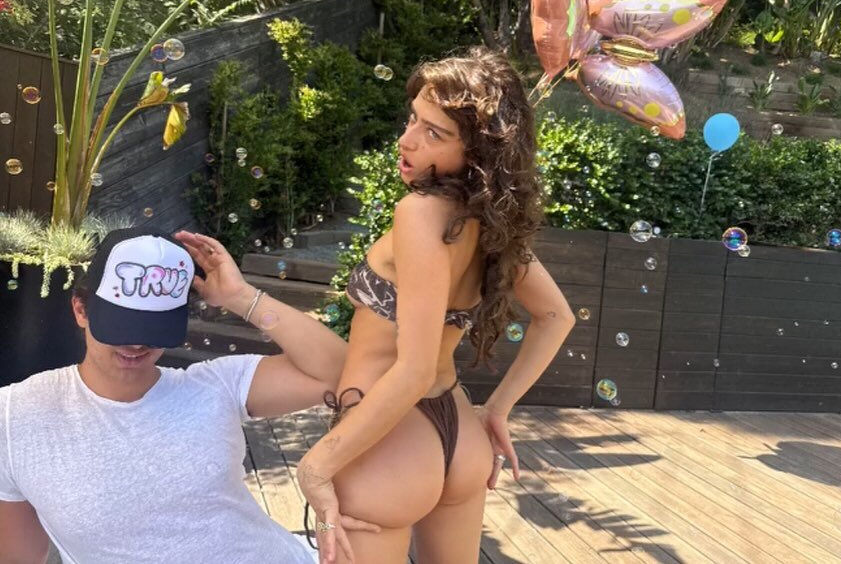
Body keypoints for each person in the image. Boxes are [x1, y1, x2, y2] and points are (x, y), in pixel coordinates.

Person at [295, 47, 576, 563]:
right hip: (459, 435)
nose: (406, 140)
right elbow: (557, 316)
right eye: (412, 120)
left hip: (390, 443)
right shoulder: (492, 225)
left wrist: (315, 466)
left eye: (433, 133)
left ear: (478, 152)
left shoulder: (420, 213)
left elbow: (415, 369)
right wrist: (497, 409)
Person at [0, 228, 378, 564]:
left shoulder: (214, 385)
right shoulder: (16, 414)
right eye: (123, 324)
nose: (137, 343)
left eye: (153, 327)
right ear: (81, 310)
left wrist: (240, 296)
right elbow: (18, 556)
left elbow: (340, 373)